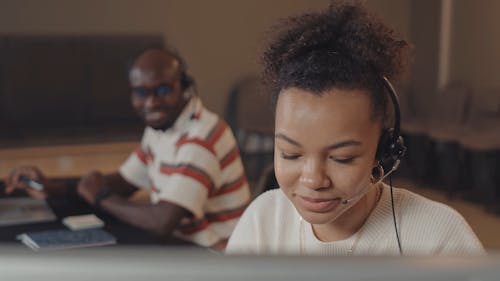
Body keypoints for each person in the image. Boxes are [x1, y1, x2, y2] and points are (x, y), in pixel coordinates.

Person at [226, 1, 485, 256]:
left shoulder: (439, 237)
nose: (313, 180)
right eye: (290, 154)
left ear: (384, 149)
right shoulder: (262, 223)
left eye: (342, 158)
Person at [5, 48, 250, 250]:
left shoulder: (202, 138)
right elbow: (123, 183)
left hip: (214, 256)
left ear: (185, 87)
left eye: (163, 90)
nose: (152, 102)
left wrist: (100, 197)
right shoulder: (162, 127)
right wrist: (50, 186)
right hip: (180, 244)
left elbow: (162, 220)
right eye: (142, 92)